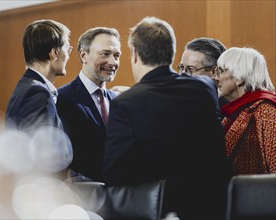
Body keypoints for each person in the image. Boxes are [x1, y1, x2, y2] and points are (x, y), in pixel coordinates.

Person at [102, 17, 230, 220]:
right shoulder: (204, 89)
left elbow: (115, 175)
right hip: (208, 208)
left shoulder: (125, 103)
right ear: (171, 53)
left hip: (158, 211)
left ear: (135, 54)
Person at [57, 27, 122, 181]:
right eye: (105, 54)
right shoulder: (61, 99)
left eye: (117, 55)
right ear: (84, 55)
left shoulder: (119, 102)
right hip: (81, 197)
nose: (113, 62)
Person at [216, 47, 276, 174]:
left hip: (258, 192)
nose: (216, 78)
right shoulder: (236, 109)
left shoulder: (267, 110)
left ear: (239, 78)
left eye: (221, 71)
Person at [6, 19, 71, 132]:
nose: (68, 56)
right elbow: (43, 147)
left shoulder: (27, 87)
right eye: (67, 49)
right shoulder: (37, 93)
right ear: (54, 53)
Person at [179, 37, 229, 110]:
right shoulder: (175, 102)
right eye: (181, 67)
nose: (182, 75)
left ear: (214, 72)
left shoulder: (230, 112)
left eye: (190, 69)